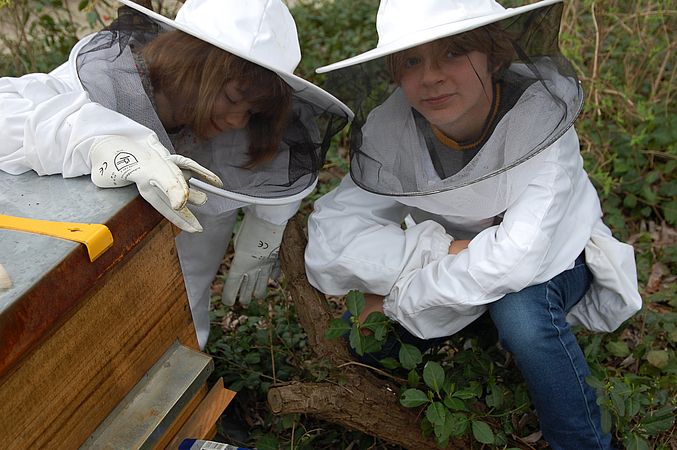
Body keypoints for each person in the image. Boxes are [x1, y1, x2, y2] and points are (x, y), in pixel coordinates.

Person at [304, 0, 641, 448]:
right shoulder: (391, 128)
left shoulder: (540, 118)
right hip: (458, 257)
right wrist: (438, 251)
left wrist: (399, 298)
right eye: (411, 60)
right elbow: (329, 238)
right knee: (368, 341)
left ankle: (584, 442)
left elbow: (516, 260)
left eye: (454, 52)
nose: (430, 76)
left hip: (555, 257)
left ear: (494, 54)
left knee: (520, 315)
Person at [0, 0, 352, 349]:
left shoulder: (229, 136)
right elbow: (10, 112)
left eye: (252, 112)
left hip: (173, 333)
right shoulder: (103, 83)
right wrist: (98, 141)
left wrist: (269, 221)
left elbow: (275, 160)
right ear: (190, 62)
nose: (237, 121)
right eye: (231, 97)